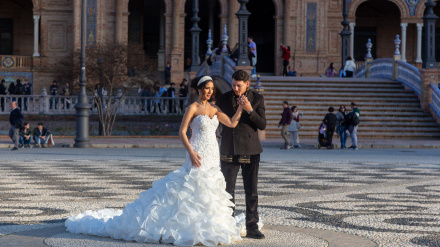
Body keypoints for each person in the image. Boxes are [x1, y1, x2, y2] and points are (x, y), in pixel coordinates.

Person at [65, 75, 247, 246]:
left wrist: (241, 107)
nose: (209, 92)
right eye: (206, 89)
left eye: (211, 89)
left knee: (211, 188)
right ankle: (187, 227)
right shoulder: (193, 108)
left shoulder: (214, 109)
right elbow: (182, 132)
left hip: (212, 154)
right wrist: (190, 152)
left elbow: (232, 123)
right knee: (194, 185)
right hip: (197, 151)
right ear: (200, 90)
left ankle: (210, 226)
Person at [216, 70, 266, 239]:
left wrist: (250, 109)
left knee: (251, 190)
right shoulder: (223, 98)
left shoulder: (257, 99)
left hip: (250, 149)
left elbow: (262, 124)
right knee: (228, 190)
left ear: (247, 84)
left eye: (239, 85)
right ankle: (228, 225)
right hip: (229, 148)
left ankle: (252, 226)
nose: (236, 88)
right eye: (233, 85)